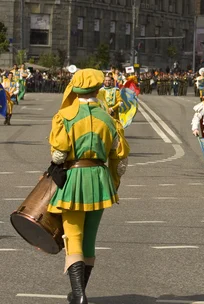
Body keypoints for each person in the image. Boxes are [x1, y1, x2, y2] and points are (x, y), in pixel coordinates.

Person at [46, 68, 129, 304]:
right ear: (98, 89)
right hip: (100, 179)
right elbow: (120, 158)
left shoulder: (65, 116)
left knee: (73, 237)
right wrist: (113, 180)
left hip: (75, 177)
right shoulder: (109, 119)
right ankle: (79, 292)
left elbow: (59, 156)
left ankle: (79, 295)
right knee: (89, 239)